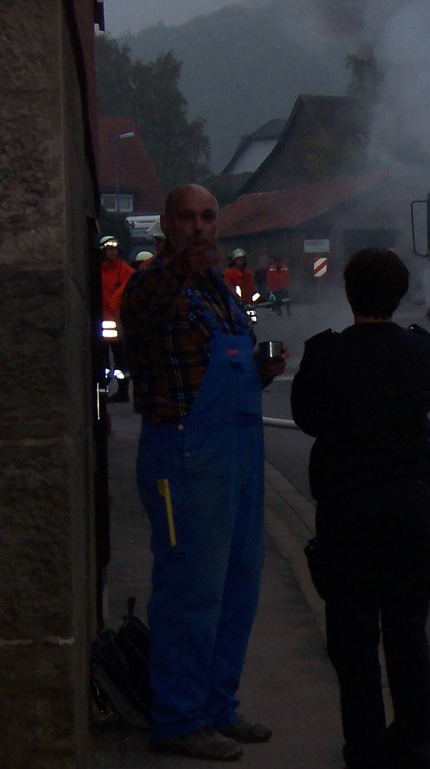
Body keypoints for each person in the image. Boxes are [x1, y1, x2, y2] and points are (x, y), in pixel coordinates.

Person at [121, 184, 288, 761]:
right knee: (190, 589)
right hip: (183, 453)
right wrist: (179, 258)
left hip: (236, 451)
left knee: (238, 583)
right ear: (166, 224)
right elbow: (146, 318)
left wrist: (263, 370)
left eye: (208, 217)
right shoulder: (151, 285)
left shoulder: (219, 288)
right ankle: (178, 718)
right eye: (187, 218)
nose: (200, 227)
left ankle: (218, 707)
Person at [291, 248, 430, 769]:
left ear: (348, 293)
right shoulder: (422, 353)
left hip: (346, 512)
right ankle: (416, 745)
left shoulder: (324, 355)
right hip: (407, 509)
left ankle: (365, 747)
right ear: (400, 295)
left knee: (353, 641)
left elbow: (308, 419)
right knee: (408, 632)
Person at [99, 235, 135, 402]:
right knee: (102, 359)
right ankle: (103, 389)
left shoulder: (125, 271)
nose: (112, 252)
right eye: (109, 249)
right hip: (99, 321)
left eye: (115, 249)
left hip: (117, 322)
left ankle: (122, 391)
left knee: (120, 358)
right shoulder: (97, 270)